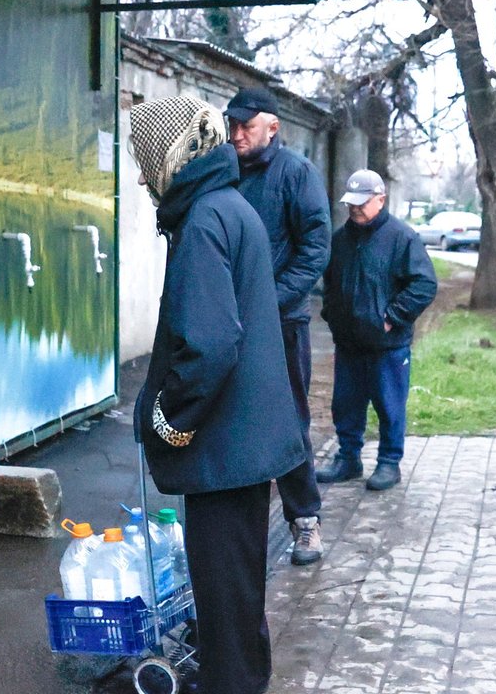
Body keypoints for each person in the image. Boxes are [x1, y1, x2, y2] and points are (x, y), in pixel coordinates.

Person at [129, 95, 306, 694]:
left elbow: (208, 347)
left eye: (143, 156)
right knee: (236, 595)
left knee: (226, 602)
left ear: (169, 155)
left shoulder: (204, 217)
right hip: (244, 443)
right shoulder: (227, 205)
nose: (140, 171)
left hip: (225, 448)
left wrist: (168, 421)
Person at [225, 86, 331, 566]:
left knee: (288, 423)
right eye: (233, 125)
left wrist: (271, 301)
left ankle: (305, 521)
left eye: (247, 125)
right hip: (228, 322)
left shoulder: (296, 174)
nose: (237, 133)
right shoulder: (224, 171)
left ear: (273, 127)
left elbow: (315, 249)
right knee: (229, 422)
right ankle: (231, 529)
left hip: (282, 324)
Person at [316, 170, 437, 491]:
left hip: (388, 345)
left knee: (389, 405)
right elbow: (329, 283)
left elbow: (424, 284)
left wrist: (392, 316)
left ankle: (388, 463)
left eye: (361, 203)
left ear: (380, 200)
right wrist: (334, 315)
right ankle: (348, 459)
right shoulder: (340, 240)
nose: (354, 209)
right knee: (345, 405)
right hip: (349, 343)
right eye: (350, 203)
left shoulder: (402, 238)